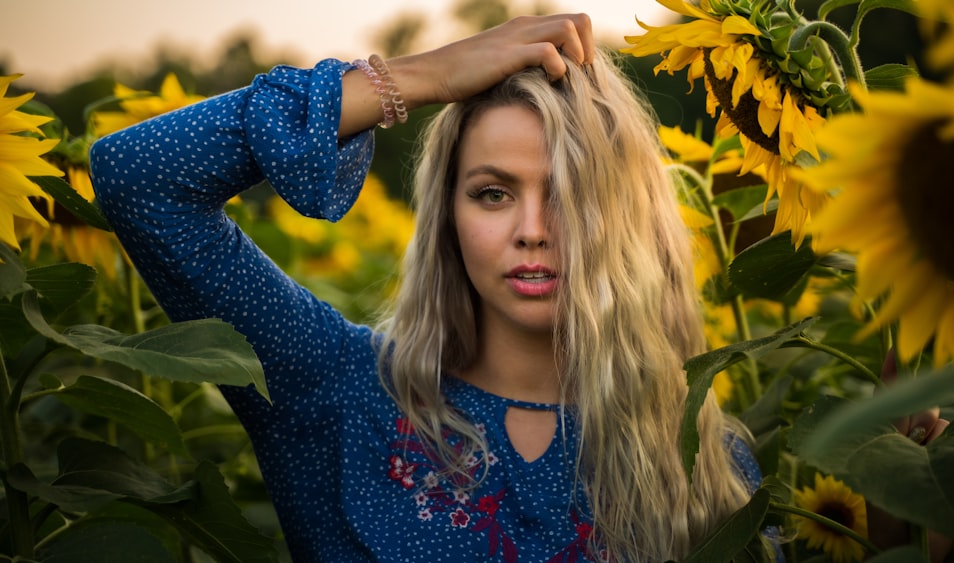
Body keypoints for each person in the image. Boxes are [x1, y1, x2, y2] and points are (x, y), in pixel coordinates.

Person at [91, 14, 763, 562]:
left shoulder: (701, 462)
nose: (533, 229)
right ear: (447, 215)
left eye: (571, 193)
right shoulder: (334, 386)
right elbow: (137, 178)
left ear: (627, 214)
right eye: (493, 193)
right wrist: (419, 77)